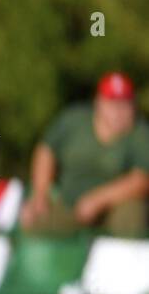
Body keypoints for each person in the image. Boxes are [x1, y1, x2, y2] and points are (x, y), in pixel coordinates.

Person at [21, 72, 149, 236]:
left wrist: (98, 200)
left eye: (124, 104)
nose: (118, 111)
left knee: (132, 217)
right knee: (33, 219)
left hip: (116, 207)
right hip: (70, 203)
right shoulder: (73, 121)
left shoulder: (140, 133)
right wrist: (40, 194)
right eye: (112, 103)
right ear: (98, 102)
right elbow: (46, 150)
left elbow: (141, 180)